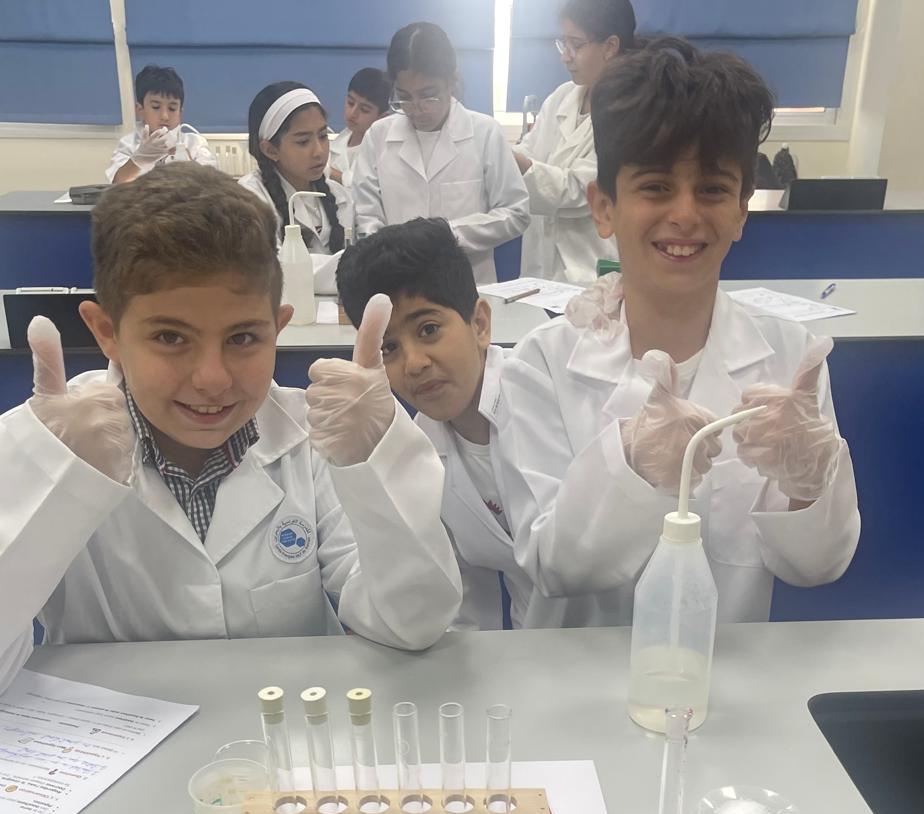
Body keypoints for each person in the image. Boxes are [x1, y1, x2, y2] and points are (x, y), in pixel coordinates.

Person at [0, 165, 462, 720]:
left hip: (290, 738)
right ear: (106, 332)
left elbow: (411, 624)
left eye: (243, 337)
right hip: (109, 750)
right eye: (170, 337)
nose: (212, 378)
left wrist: (374, 461)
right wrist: (53, 483)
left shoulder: (321, 435)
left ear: (279, 326)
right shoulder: (39, 442)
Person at [499, 39, 860, 629]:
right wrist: (629, 468)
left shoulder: (791, 358)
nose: (686, 214)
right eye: (656, 187)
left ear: (741, 210)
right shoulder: (539, 366)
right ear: (603, 207)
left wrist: (809, 485)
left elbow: (817, 566)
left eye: (713, 189)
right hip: (577, 673)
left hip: (726, 668)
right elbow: (553, 567)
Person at [335, 218, 530, 631]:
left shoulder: (542, 395)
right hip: (537, 646)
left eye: (429, 329)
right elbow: (460, 606)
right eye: (388, 347)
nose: (414, 364)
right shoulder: (421, 450)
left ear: (479, 324)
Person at [350, 21, 530, 286]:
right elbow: (366, 217)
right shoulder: (378, 136)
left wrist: (449, 234)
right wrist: (387, 249)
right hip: (398, 285)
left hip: (469, 285)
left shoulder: (484, 133)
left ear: (451, 81)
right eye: (404, 96)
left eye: (428, 95)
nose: (416, 108)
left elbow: (516, 212)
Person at [514, 0, 634, 283]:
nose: (565, 57)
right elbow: (530, 149)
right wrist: (503, 155)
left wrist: (515, 162)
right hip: (539, 271)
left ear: (610, 46)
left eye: (576, 45)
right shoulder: (562, 97)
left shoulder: (632, 110)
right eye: (563, 44)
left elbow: (581, 189)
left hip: (591, 272)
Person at [239, 82, 350, 294]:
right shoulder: (249, 199)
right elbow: (277, 270)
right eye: (303, 141)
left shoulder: (339, 195)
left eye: (323, 136)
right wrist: (356, 266)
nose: (319, 151)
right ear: (270, 149)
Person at [106, 65, 216, 183]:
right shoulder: (128, 144)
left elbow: (213, 185)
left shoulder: (195, 144)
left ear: (180, 113)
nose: (165, 116)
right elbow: (116, 185)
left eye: (172, 108)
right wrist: (138, 160)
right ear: (140, 109)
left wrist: (189, 164)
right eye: (156, 107)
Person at [327, 68, 390, 185]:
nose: (353, 113)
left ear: (382, 117)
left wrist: (330, 173)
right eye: (350, 103)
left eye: (364, 109)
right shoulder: (335, 144)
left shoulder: (385, 153)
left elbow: (368, 186)